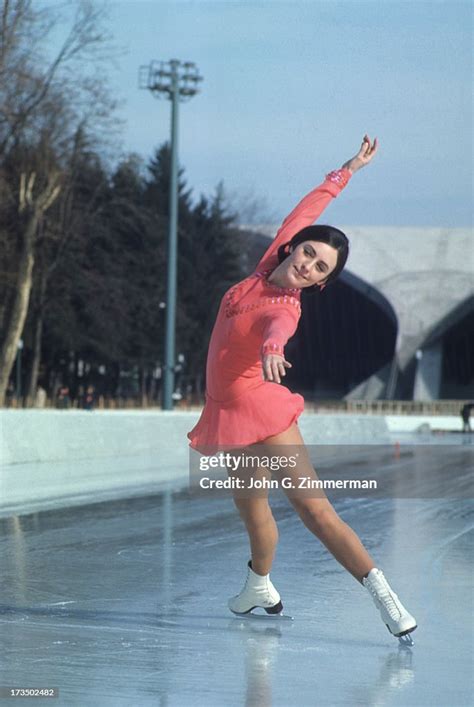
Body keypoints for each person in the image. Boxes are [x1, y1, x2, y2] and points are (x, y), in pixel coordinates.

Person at [187, 135, 417, 644]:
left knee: (313, 509)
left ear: (319, 283)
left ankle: (385, 597)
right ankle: (259, 586)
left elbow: (277, 329)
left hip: (265, 412)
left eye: (320, 269)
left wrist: (273, 350)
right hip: (228, 416)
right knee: (253, 514)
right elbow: (309, 206)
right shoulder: (270, 262)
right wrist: (348, 170)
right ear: (293, 246)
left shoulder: (286, 305)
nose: (308, 264)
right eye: (308, 252)